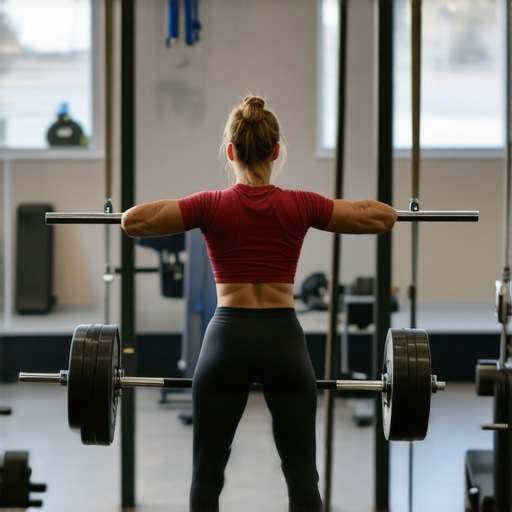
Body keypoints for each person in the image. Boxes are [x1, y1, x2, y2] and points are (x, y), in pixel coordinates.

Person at [121, 95, 397, 512]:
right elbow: (379, 217)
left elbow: (133, 221)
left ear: (230, 151)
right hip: (283, 340)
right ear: (276, 151)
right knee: (302, 474)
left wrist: (189, 207)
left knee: (206, 475)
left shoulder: (210, 205)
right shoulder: (301, 204)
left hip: (226, 339)